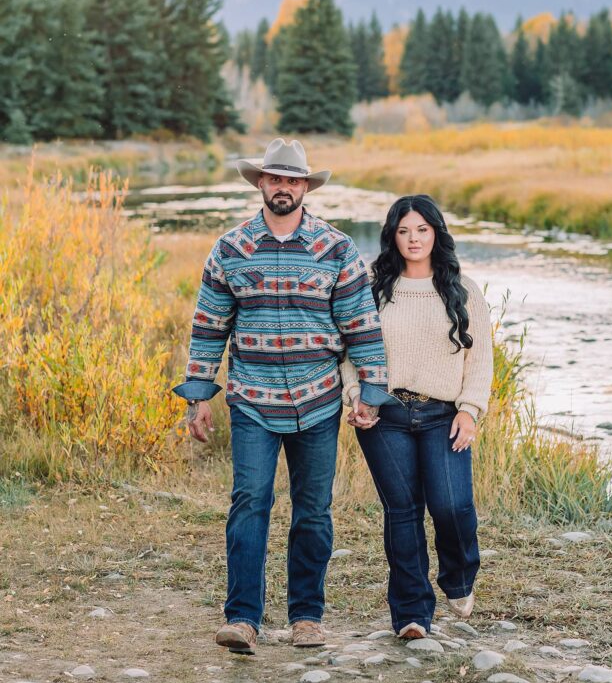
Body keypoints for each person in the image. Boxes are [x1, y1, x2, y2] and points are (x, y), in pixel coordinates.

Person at [173, 138, 386, 655]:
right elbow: (209, 327)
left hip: (318, 400)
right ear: (261, 184)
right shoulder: (230, 248)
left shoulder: (336, 249)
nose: (284, 187)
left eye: (293, 180)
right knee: (250, 503)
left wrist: (372, 392)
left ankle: (306, 617)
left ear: (305, 187)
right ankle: (243, 618)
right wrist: (199, 395)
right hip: (252, 401)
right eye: (275, 179)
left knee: (313, 510)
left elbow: (361, 326)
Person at [342, 194, 493, 640]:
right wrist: (356, 396)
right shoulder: (373, 289)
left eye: (422, 229)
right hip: (383, 414)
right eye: (404, 230)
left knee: (452, 506)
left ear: (436, 233)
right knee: (402, 513)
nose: (413, 239)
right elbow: (349, 349)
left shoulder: (463, 289)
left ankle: (459, 577)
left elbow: (480, 358)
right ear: (392, 235)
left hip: (442, 414)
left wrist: (470, 411)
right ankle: (411, 614)